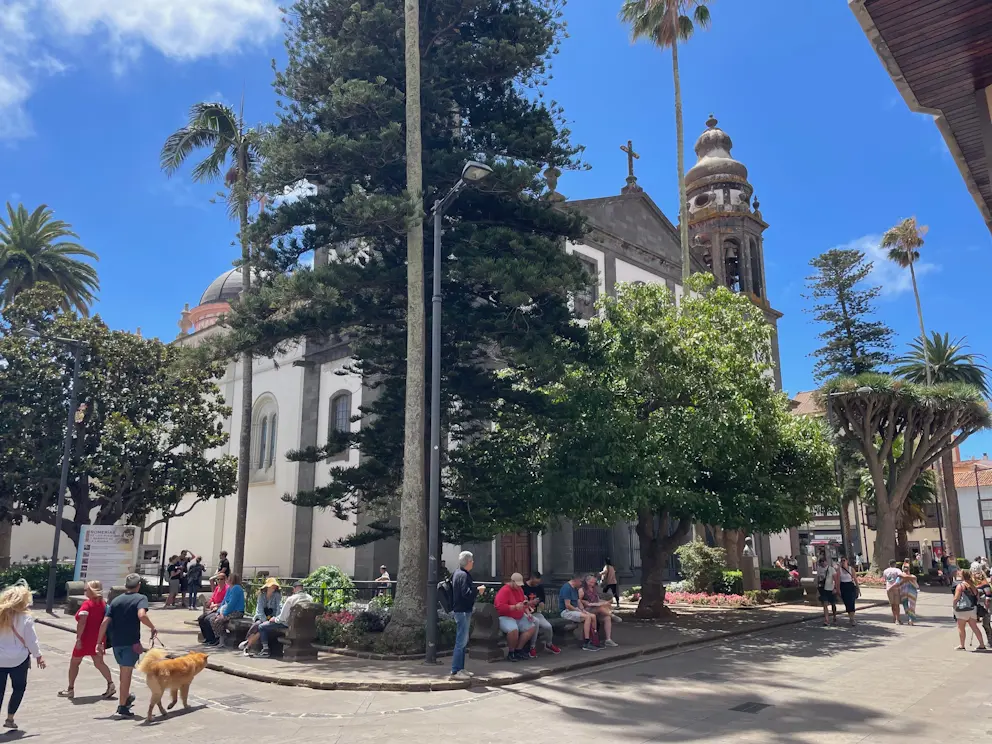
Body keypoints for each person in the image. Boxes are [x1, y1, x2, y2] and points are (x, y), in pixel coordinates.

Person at [96, 573, 157, 718]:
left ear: (125, 585)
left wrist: (99, 642)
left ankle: (126, 698)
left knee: (124, 672)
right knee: (126, 674)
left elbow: (105, 622)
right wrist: (152, 627)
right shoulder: (141, 598)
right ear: (139, 585)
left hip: (117, 643)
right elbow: (142, 615)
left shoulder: (116, 600)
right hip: (131, 643)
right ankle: (122, 707)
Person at [59, 580, 114, 701]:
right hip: (98, 638)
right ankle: (111, 684)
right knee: (99, 663)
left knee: (74, 662)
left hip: (86, 638)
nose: (85, 591)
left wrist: (78, 638)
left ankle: (70, 689)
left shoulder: (87, 605)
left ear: (92, 591)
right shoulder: (103, 604)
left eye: (87, 589)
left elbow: (82, 622)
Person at [0, 583, 45, 730]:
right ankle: (10, 718)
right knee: (19, 688)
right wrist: (38, 656)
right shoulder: (25, 618)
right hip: (19, 660)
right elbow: (31, 640)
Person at [250, 581, 313, 659]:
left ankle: (265, 650)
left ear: (294, 589)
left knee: (262, 627)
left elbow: (282, 618)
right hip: (306, 626)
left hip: (289, 625)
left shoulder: (291, 599)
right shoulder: (310, 598)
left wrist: (274, 619)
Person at [450, 551, 485, 678]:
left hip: (460, 610)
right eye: (472, 560)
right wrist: (478, 590)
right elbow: (466, 593)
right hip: (463, 611)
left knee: (463, 641)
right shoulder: (463, 575)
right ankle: (456, 670)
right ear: (468, 562)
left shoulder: (457, 573)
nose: (473, 562)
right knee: (461, 641)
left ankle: (461, 668)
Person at [494, 573, 536, 661]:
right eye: (517, 585)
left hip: (519, 615)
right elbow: (499, 607)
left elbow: (522, 603)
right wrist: (514, 607)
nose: (518, 587)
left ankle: (518, 649)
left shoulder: (520, 589)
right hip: (505, 616)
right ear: (512, 582)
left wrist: (528, 612)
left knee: (531, 628)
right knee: (513, 629)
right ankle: (511, 652)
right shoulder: (505, 590)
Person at [199, 572, 244, 647]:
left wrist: (223, 614)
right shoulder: (230, 588)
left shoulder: (236, 588)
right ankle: (220, 639)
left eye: (229, 577)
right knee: (213, 619)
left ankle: (222, 639)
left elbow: (231, 604)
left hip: (236, 611)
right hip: (227, 611)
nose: (228, 579)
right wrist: (219, 612)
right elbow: (224, 601)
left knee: (217, 620)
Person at [522, 572, 561, 657]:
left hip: (536, 612)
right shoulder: (523, 587)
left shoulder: (539, 587)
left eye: (538, 582)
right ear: (531, 578)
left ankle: (549, 644)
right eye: (535, 582)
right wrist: (531, 602)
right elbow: (521, 603)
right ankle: (532, 647)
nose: (537, 584)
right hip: (525, 613)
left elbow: (542, 599)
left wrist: (542, 604)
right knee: (536, 624)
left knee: (548, 626)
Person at [240, 578, 282, 656]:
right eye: (272, 586)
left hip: (272, 617)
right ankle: (248, 645)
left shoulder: (277, 595)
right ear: (267, 587)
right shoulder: (262, 595)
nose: (273, 588)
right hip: (261, 617)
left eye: (275, 586)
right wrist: (264, 620)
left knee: (261, 627)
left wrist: (276, 618)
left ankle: (247, 645)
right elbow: (260, 610)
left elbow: (279, 608)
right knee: (258, 625)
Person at [560, 573, 598, 651]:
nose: (581, 584)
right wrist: (578, 610)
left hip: (575, 609)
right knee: (587, 617)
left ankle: (593, 638)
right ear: (576, 580)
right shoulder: (566, 588)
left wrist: (582, 609)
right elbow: (568, 605)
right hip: (566, 611)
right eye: (580, 582)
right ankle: (586, 642)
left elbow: (578, 601)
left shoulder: (575, 588)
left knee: (593, 616)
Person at [953, 569, 987, 651]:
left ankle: (962, 645)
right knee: (975, 627)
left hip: (962, 609)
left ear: (962, 576)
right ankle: (982, 644)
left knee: (961, 627)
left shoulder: (960, 586)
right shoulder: (974, 586)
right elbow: (977, 598)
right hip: (972, 609)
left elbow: (956, 598)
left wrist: (954, 606)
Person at [580, 574, 617, 646]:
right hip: (587, 609)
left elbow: (597, 599)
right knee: (600, 608)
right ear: (587, 581)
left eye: (594, 582)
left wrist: (603, 602)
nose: (593, 584)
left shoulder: (594, 589)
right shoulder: (582, 590)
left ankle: (608, 639)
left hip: (596, 608)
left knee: (607, 617)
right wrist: (585, 603)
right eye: (591, 582)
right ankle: (612, 615)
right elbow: (579, 600)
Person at [815, 554, 839, 626]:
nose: (822, 563)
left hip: (831, 589)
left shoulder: (831, 569)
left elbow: (835, 579)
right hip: (823, 589)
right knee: (825, 604)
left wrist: (835, 588)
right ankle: (826, 619)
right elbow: (818, 579)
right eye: (820, 562)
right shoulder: (819, 569)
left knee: (833, 604)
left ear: (826, 562)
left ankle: (834, 616)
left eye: (823, 561)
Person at [837, 557, 860, 627]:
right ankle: (850, 617)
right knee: (847, 603)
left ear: (847, 561)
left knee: (852, 602)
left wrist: (858, 588)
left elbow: (855, 579)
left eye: (844, 560)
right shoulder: (839, 570)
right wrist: (838, 590)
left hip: (850, 586)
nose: (843, 562)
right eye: (841, 561)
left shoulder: (851, 569)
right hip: (843, 586)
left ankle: (852, 619)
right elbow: (838, 581)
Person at [882, 559, 904, 624]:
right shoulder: (897, 570)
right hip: (896, 588)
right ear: (895, 564)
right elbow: (901, 576)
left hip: (889, 588)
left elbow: (885, 579)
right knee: (897, 604)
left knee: (892, 604)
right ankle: (898, 619)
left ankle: (894, 618)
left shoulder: (885, 571)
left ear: (889, 564)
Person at [898, 560, 919, 625]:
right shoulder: (900, 576)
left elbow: (912, 578)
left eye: (907, 568)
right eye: (904, 567)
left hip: (912, 593)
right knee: (905, 606)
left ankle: (911, 620)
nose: (906, 569)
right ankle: (909, 616)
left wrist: (906, 576)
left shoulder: (913, 576)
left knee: (911, 606)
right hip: (903, 593)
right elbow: (900, 579)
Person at [975, 570, 992, 646]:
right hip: (982, 606)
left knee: (986, 623)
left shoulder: (985, 585)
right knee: (985, 624)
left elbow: (988, 597)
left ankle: (990, 640)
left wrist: (986, 609)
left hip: (987, 606)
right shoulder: (978, 585)